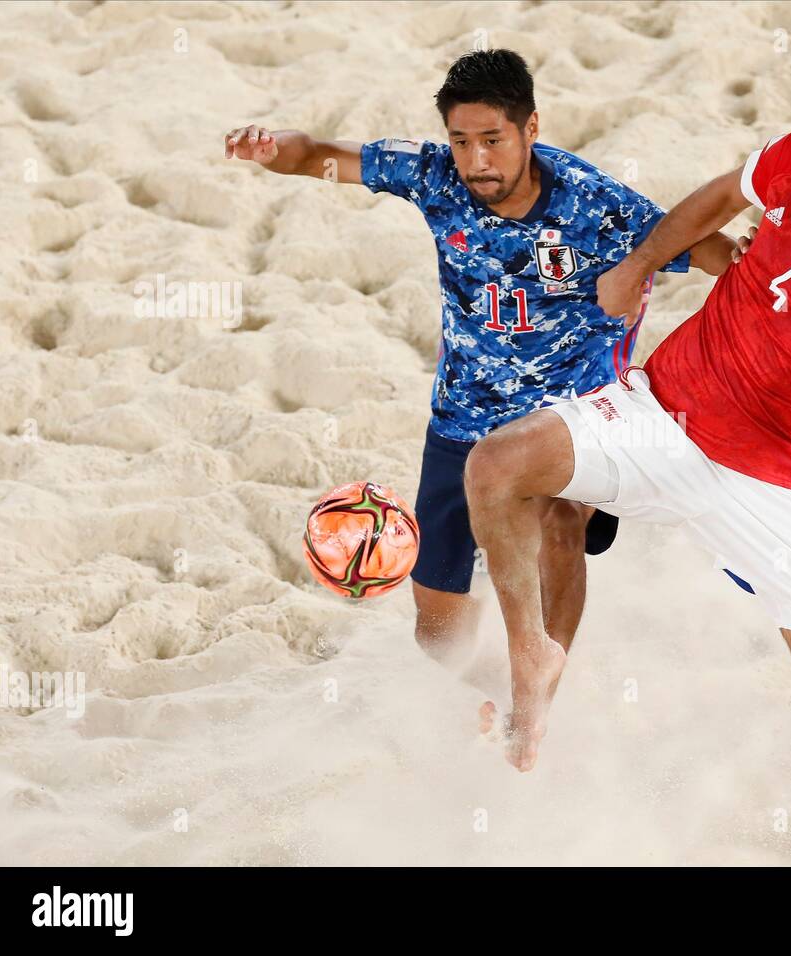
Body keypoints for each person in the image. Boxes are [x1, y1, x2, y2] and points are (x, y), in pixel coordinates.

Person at [464, 50, 791, 827]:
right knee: (500, 466)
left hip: (772, 480)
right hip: (662, 412)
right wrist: (642, 262)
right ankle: (531, 661)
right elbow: (716, 200)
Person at [224, 49, 733, 662]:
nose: (476, 160)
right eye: (461, 142)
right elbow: (312, 155)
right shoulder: (436, 176)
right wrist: (266, 145)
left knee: (560, 526)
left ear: (531, 129)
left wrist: (763, 266)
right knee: (438, 640)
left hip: (569, 422)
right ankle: (495, 703)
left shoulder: (593, 204)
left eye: (492, 140)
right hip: (462, 420)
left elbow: (708, 252)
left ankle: (545, 687)